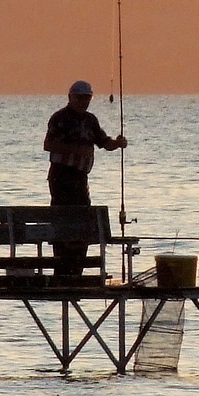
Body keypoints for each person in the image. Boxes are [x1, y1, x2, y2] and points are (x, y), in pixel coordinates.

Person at [43, 80, 127, 277]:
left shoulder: (90, 120)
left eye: (87, 98)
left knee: (83, 219)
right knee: (63, 219)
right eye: (80, 97)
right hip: (61, 177)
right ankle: (62, 269)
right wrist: (77, 150)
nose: (83, 101)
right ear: (70, 97)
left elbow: (104, 142)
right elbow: (49, 145)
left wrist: (117, 143)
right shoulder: (59, 118)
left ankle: (77, 269)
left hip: (81, 178)